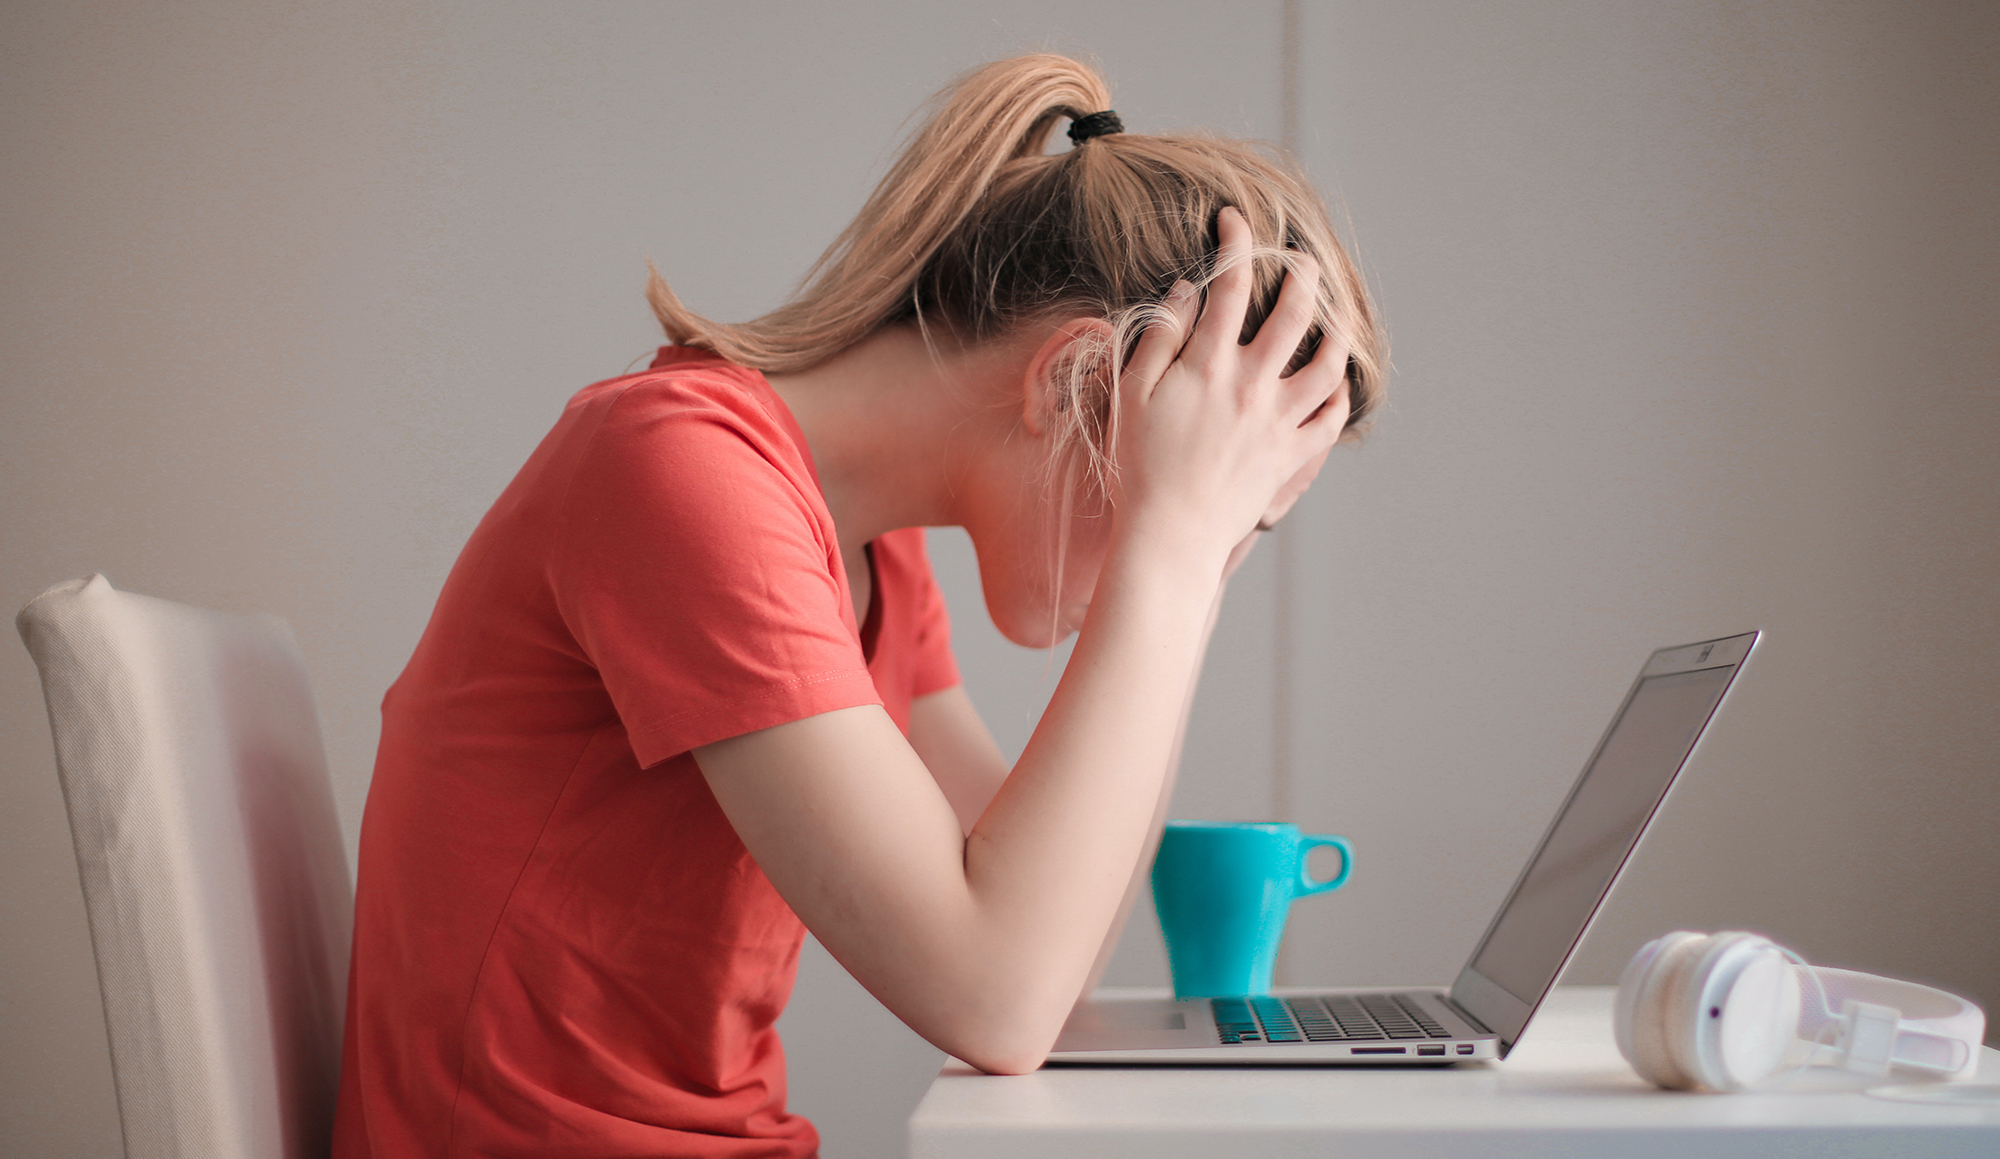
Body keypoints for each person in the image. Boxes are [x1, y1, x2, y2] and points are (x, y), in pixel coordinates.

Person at [333, 53, 1383, 1158]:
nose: (1188, 534)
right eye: (1190, 479)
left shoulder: (870, 554)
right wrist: (1168, 555)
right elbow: (999, 995)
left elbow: (1054, 938)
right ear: (1070, 384)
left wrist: (1194, 556)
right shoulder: (679, 476)